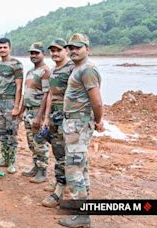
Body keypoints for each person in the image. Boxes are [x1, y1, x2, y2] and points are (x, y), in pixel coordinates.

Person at [58, 33, 104, 228]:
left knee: (74, 168)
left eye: (78, 47)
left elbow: (97, 101)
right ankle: (82, 207)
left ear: (87, 48)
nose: (73, 50)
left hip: (78, 124)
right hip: (73, 124)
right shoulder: (78, 68)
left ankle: (82, 216)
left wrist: (99, 120)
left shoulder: (87, 70)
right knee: (80, 166)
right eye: (71, 47)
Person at [41, 38, 74, 208]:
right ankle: (60, 182)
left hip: (68, 119)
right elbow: (51, 95)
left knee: (63, 154)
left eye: (58, 50)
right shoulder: (54, 70)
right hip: (55, 117)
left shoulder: (72, 69)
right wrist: (46, 117)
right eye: (52, 51)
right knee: (57, 151)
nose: (54, 53)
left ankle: (60, 190)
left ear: (66, 50)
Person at [20, 42, 51, 183]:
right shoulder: (30, 72)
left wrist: (40, 116)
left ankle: (43, 171)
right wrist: (21, 111)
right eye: (31, 53)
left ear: (43, 54)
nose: (33, 55)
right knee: (31, 143)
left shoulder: (45, 72)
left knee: (40, 142)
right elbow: (26, 94)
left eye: (36, 53)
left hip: (38, 112)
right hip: (28, 112)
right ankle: (36, 166)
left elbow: (46, 94)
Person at [0, 38, 23, 174]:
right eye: (0, 48)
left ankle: (12, 161)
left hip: (10, 102)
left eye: (5, 47)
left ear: (10, 48)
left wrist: (17, 106)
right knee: (1, 133)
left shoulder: (16, 64)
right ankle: (4, 158)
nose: (2, 50)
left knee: (12, 133)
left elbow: (19, 87)